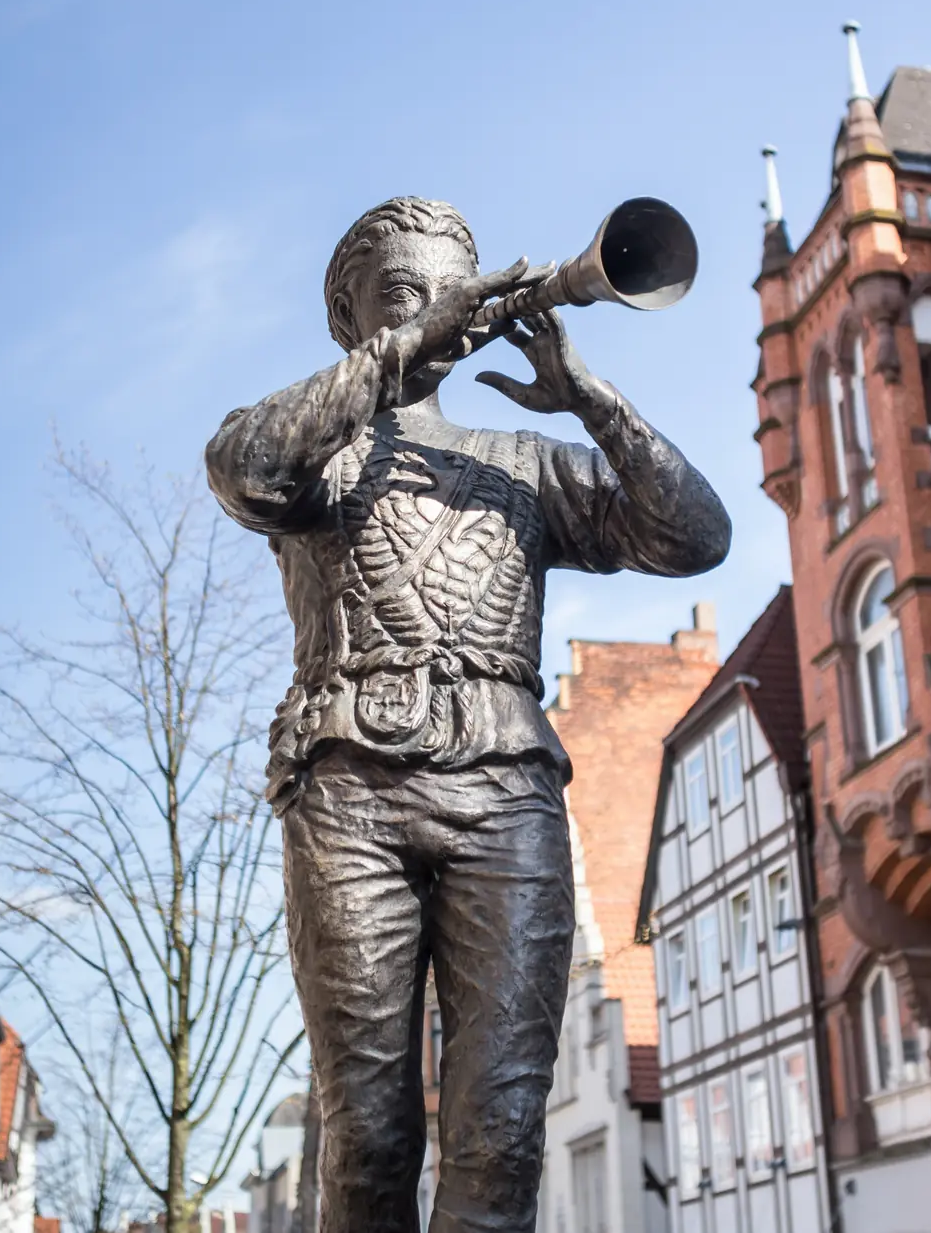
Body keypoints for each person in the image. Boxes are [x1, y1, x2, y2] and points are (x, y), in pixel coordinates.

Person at [206, 197, 730, 1232]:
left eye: (447, 296)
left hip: (507, 797)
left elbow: (694, 536)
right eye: (400, 296)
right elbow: (241, 467)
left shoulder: (522, 464)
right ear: (348, 314)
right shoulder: (319, 455)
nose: (433, 312)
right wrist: (398, 355)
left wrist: (587, 398)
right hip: (350, 793)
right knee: (367, 1132)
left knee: (501, 1130)